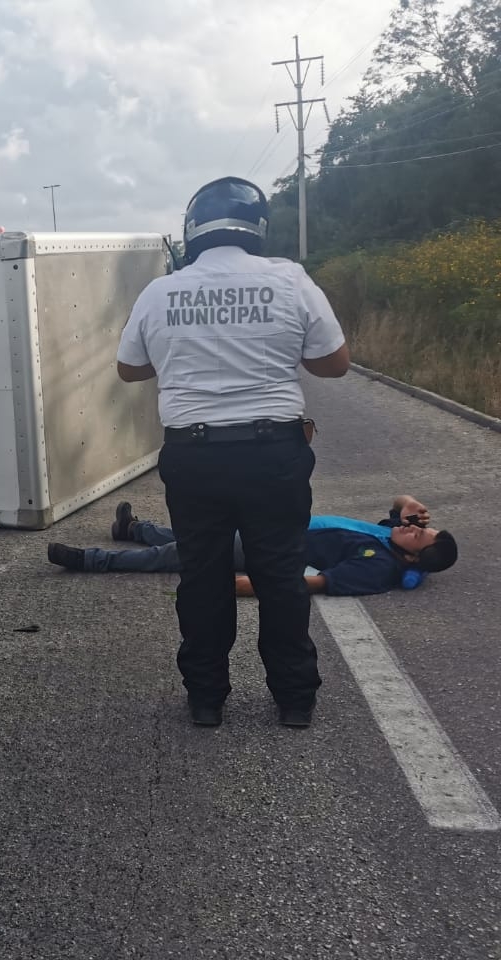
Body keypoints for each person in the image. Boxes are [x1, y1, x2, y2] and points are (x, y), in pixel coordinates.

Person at [115, 176, 351, 729]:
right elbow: (334, 363)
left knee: (202, 576)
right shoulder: (290, 281)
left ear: (192, 231)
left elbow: (129, 369)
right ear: (258, 229)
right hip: (274, 454)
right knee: (280, 574)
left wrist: (181, 353)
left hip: (194, 458)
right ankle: (295, 699)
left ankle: (206, 699)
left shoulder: (161, 291)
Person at [48, 497, 459, 599]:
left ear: (412, 558)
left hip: (271, 550)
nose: (410, 528)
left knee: (179, 554)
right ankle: (134, 529)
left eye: (418, 536)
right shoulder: (388, 536)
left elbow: (320, 583)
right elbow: (401, 504)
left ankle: (90, 561)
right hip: (274, 530)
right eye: (418, 527)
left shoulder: (380, 567)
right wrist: (408, 503)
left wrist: (249, 585)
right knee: (200, 532)